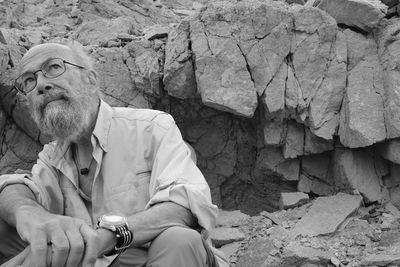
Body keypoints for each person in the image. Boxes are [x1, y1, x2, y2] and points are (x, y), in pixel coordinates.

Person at [0, 42, 228, 267]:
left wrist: (104, 238)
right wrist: (29, 214)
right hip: (92, 261)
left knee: (179, 240)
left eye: (54, 68)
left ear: (91, 80)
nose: (41, 84)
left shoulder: (151, 128)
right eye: (29, 81)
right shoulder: (53, 156)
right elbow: (19, 189)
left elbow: (184, 207)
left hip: (156, 257)